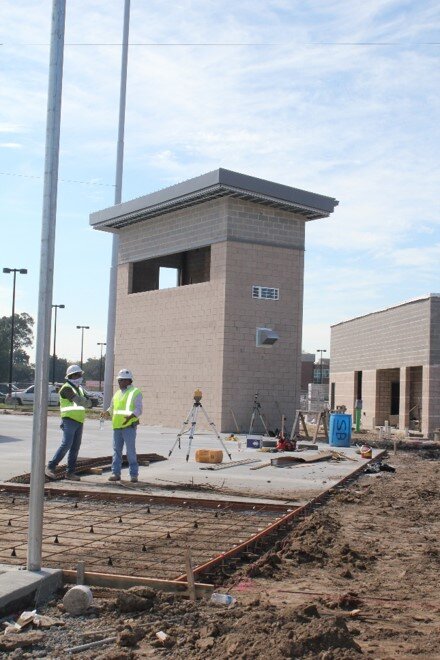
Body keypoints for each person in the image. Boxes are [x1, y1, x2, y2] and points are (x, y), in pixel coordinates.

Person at [45, 365, 92, 481]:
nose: (81, 377)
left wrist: (86, 402)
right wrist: (86, 402)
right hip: (69, 420)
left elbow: (90, 403)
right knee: (66, 444)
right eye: (79, 375)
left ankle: (70, 473)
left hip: (79, 421)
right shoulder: (66, 388)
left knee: (75, 447)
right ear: (72, 376)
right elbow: (80, 401)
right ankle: (51, 466)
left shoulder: (79, 389)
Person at [101, 369, 142, 483]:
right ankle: (115, 473)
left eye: (121, 380)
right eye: (119, 380)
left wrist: (131, 416)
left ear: (129, 381)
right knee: (117, 451)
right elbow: (112, 408)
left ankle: (134, 475)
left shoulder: (136, 392)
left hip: (129, 426)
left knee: (130, 451)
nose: (119, 382)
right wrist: (106, 413)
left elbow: (139, 409)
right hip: (117, 426)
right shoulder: (117, 394)